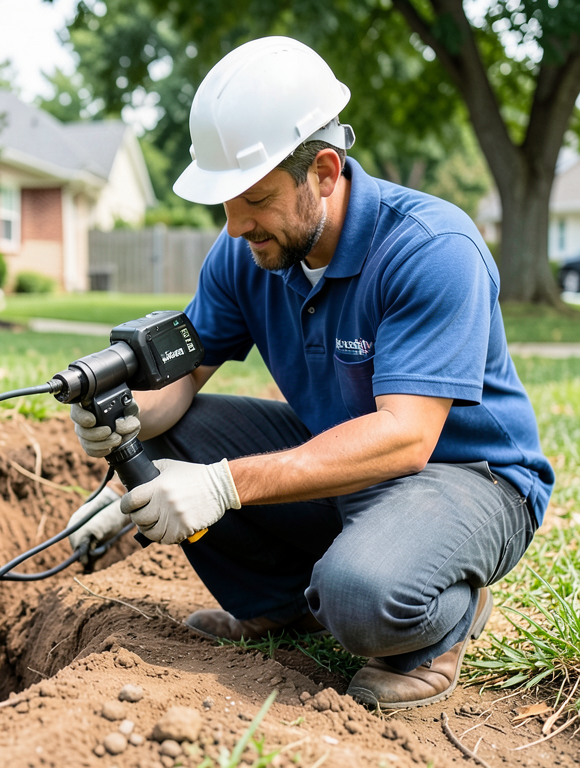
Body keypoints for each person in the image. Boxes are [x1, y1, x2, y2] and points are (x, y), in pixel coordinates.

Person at [66, 36, 553, 710]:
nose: (236, 226)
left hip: (467, 478)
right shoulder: (245, 253)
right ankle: (281, 606)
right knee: (164, 442)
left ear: (324, 171)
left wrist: (224, 484)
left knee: (360, 596)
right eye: (225, 204)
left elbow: (406, 439)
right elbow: (185, 375)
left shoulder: (430, 249)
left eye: (256, 199)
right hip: (348, 465)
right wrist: (125, 426)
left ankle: (443, 618)